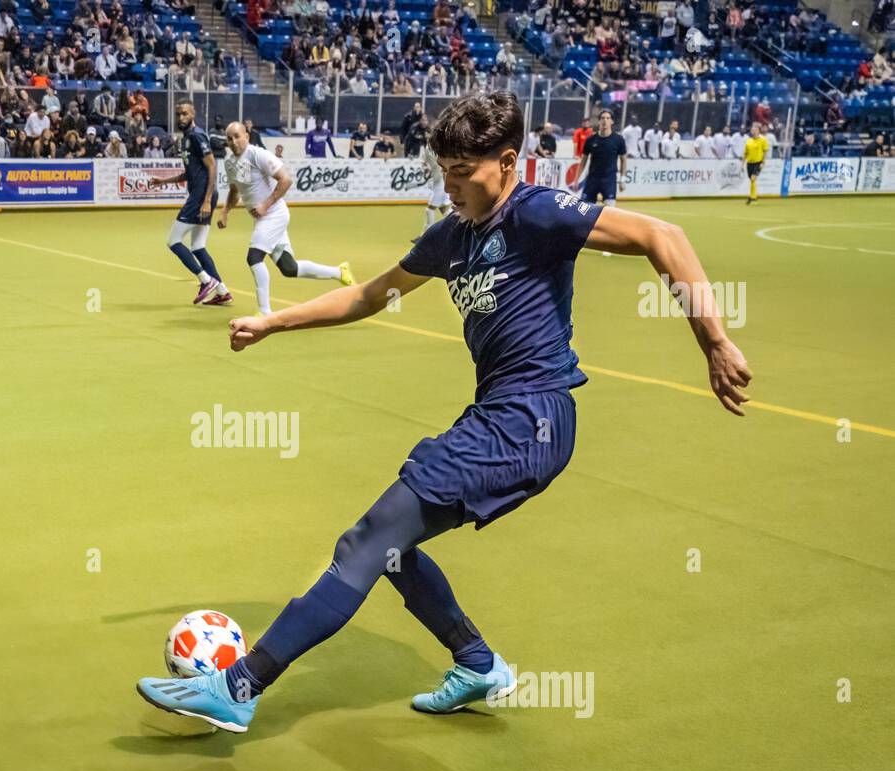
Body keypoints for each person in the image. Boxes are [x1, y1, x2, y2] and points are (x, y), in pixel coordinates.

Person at [135, 91, 753, 734]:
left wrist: (713, 341)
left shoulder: (537, 214)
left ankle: (240, 685)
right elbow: (371, 295)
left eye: (464, 174)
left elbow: (664, 235)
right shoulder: (451, 238)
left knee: (366, 541)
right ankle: (477, 661)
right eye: (445, 173)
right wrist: (273, 321)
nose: (451, 187)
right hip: (498, 417)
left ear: (508, 162)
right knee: (394, 552)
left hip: (530, 418)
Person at [218, 121, 354, 316]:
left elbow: (285, 179)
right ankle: (339, 272)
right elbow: (234, 190)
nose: (233, 141)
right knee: (290, 268)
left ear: (246, 136)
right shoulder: (230, 163)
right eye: (229, 138)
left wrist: (266, 204)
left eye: (237, 136)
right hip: (262, 219)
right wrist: (225, 212)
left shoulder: (258, 154)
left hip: (275, 215)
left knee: (254, 257)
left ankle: (264, 312)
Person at [148, 101, 231, 306]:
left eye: (184, 114)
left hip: (201, 197)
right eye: (178, 114)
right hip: (201, 195)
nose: (180, 118)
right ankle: (222, 291)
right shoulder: (186, 139)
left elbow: (212, 166)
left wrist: (205, 200)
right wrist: (163, 181)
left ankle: (205, 280)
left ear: (193, 114)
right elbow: (190, 173)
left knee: (173, 241)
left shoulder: (197, 135)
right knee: (198, 246)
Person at [573, 109, 628, 205]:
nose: (605, 120)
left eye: (608, 118)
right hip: (592, 180)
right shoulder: (590, 140)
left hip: (609, 180)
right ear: (599, 121)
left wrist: (622, 180)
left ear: (612, 121)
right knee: (585, 210)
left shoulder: (618, 140)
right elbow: (583, 162)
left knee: (610, 210)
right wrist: (576, 180)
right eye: (602, 118)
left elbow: (624, 160)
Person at [743, 121, 769, 204]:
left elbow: (765, 152)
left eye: (755, 129)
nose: (753, 131)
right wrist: (742, 163)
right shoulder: (749, 140)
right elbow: (745, 153)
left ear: (758, 131)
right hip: (749, 162)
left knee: (753, 178)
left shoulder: (762, 140)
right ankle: (753, 196)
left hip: (758, 162)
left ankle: (752, 198)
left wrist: (763, 162)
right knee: (751, 180)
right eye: (752, 129)